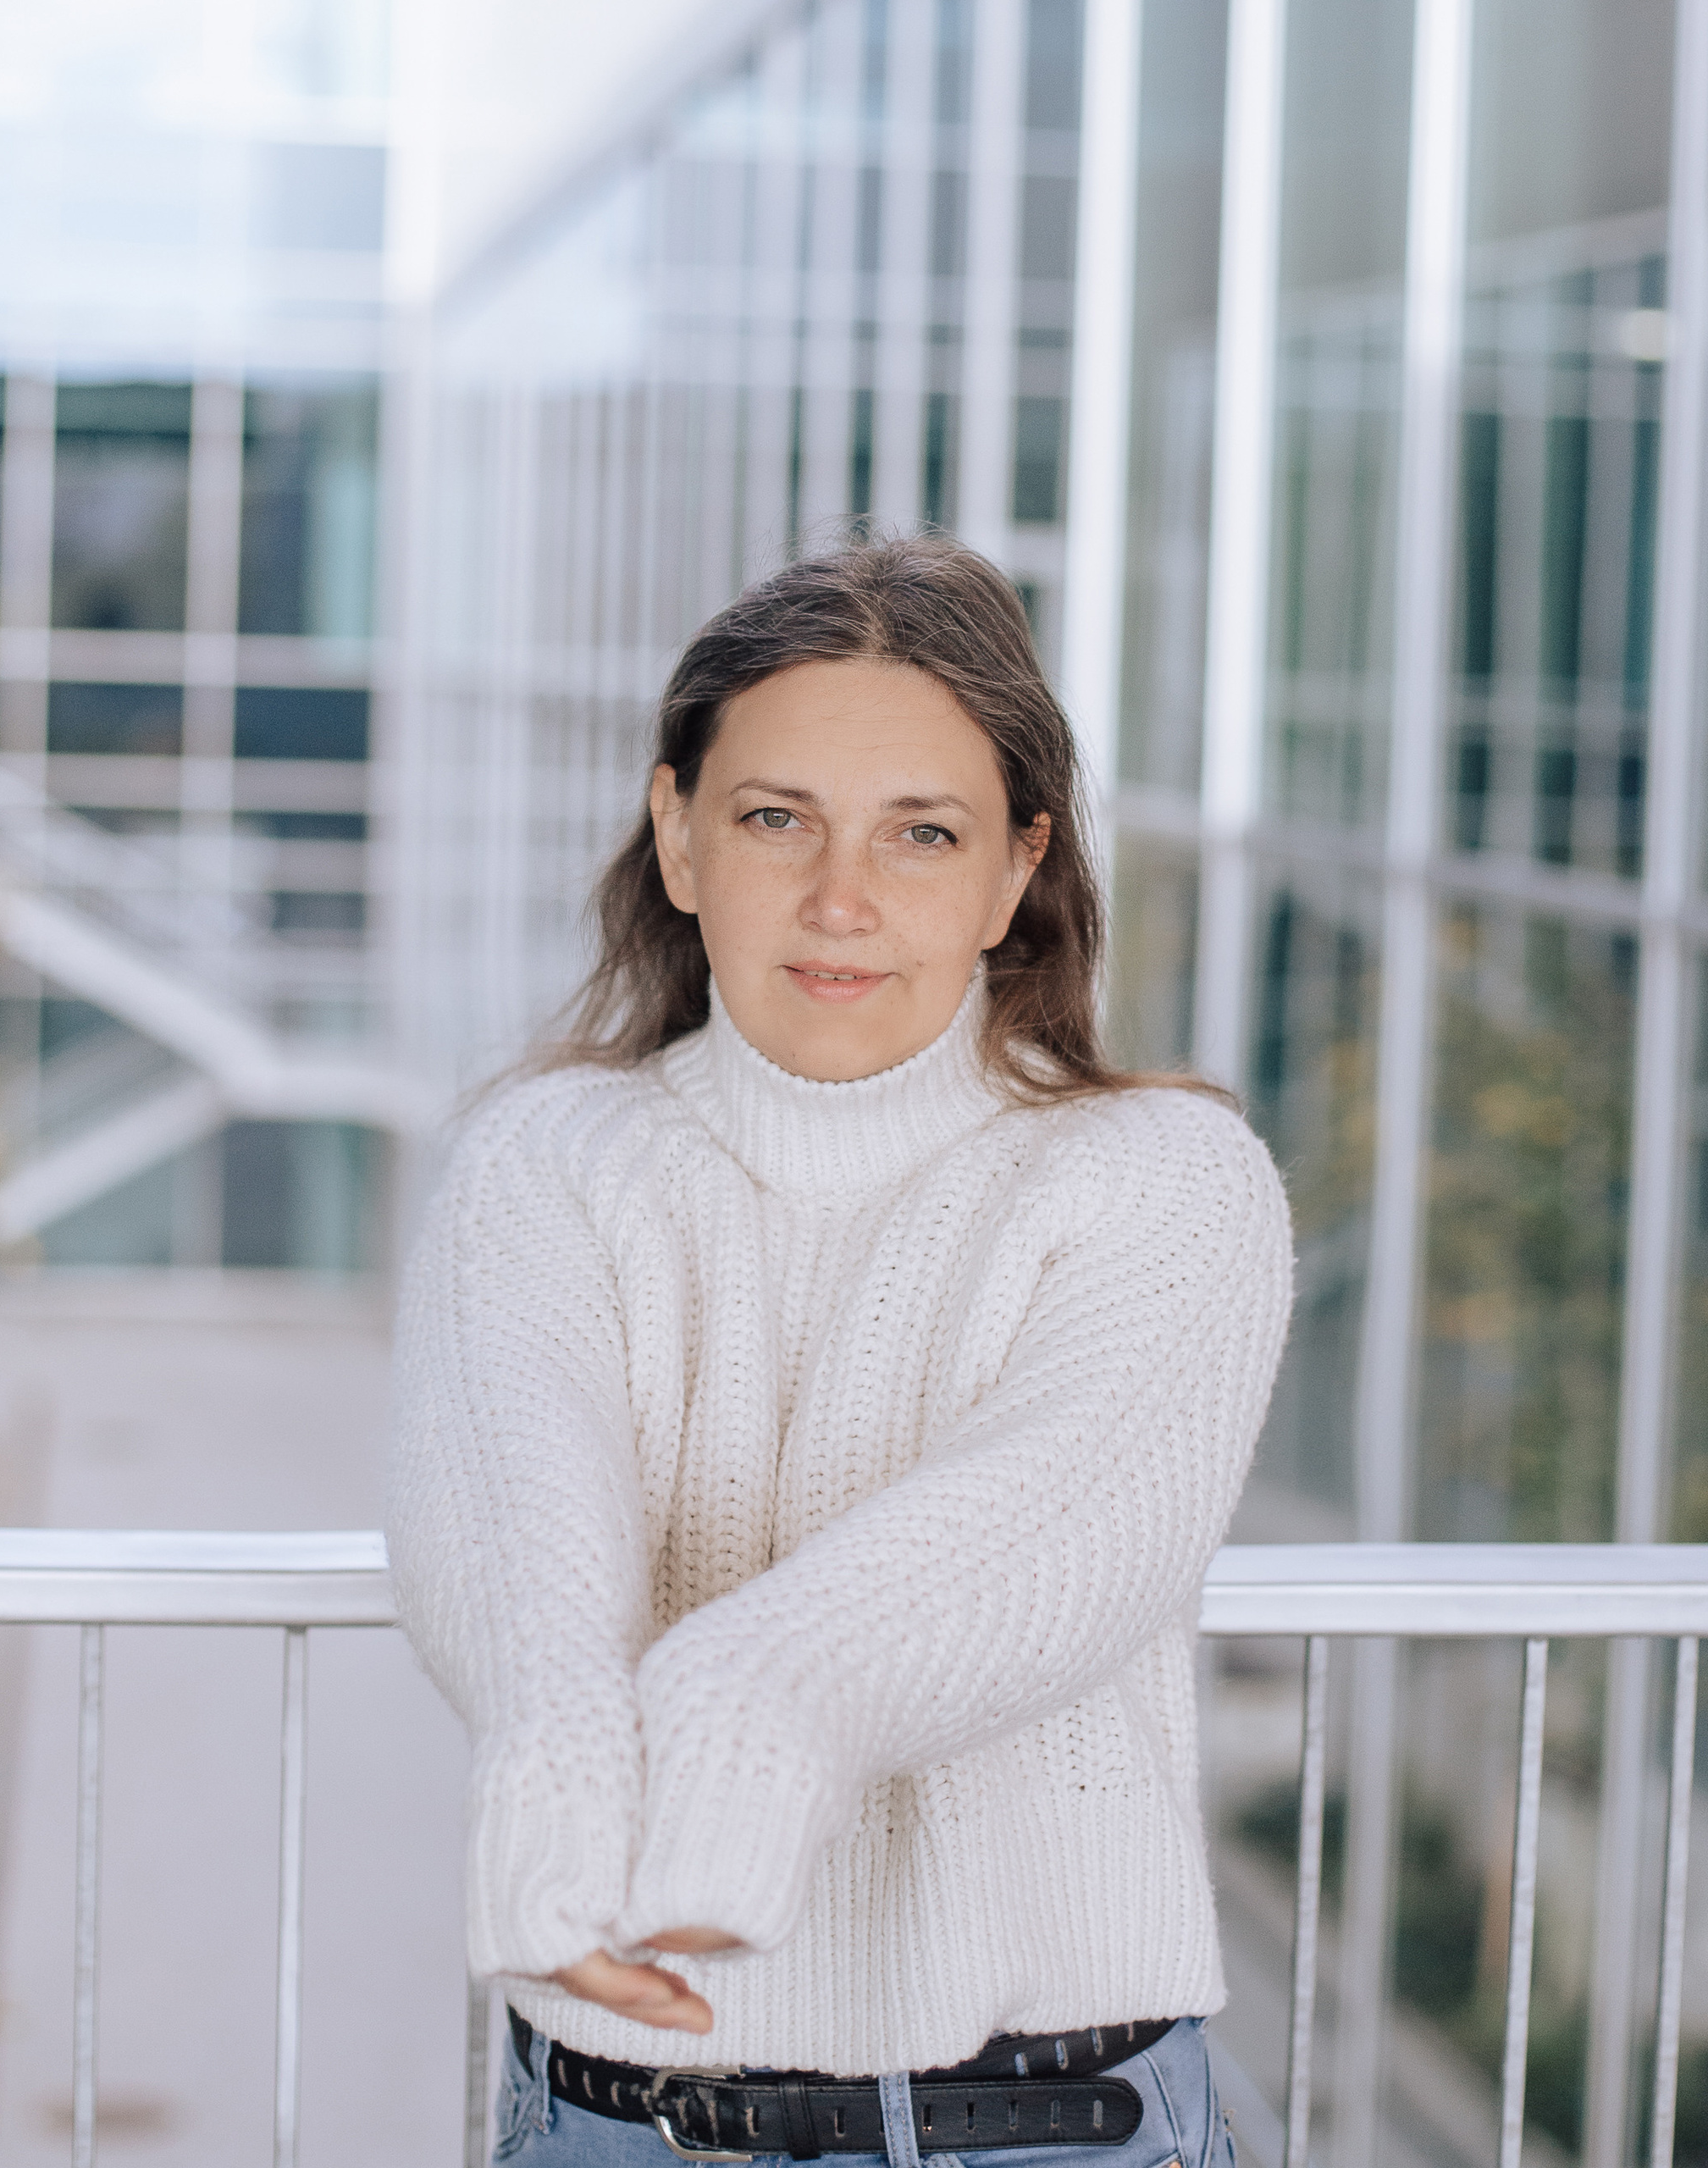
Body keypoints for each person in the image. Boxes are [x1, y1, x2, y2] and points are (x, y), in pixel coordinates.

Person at [390, 535, 1293, 2167]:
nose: (842, 901)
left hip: (1058, 2124)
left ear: (1019, 870)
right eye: (775, 817)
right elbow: (517, 1519)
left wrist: (746, 1708)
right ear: (677, 834)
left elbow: (1058, 1528)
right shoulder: (540, 1164)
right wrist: (556, 1755)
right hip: (626, 2118)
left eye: (922, 834)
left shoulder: (1164, 1177)